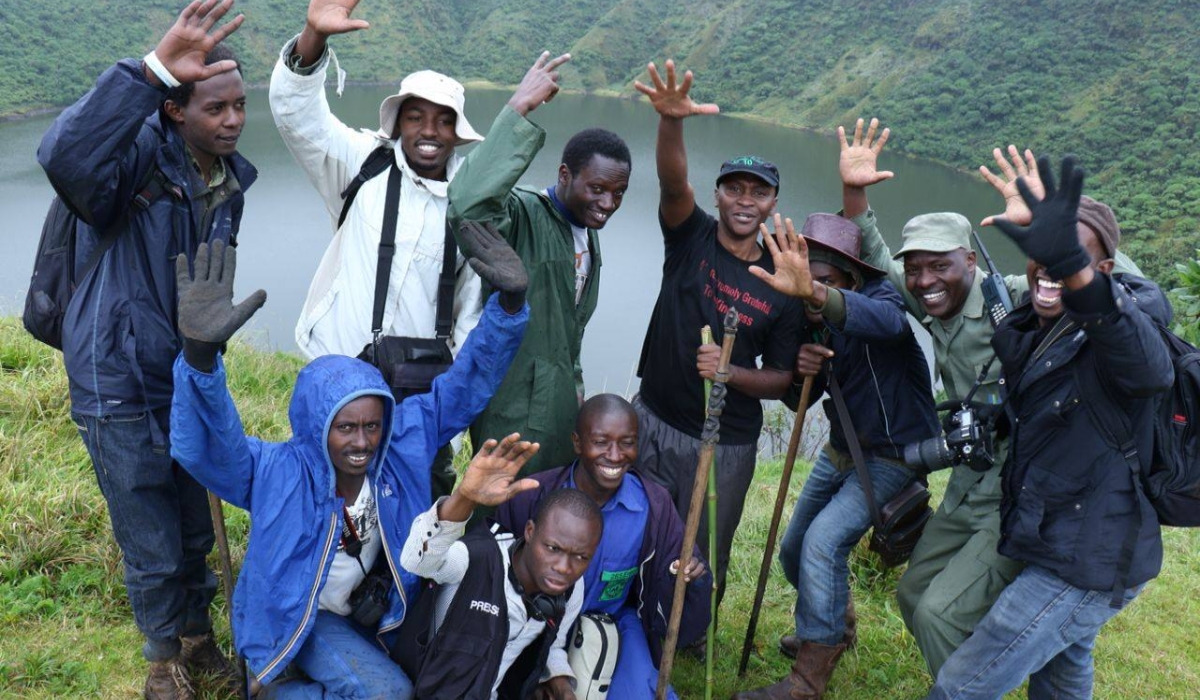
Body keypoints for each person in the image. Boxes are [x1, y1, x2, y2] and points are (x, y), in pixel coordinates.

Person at [168, 219, 530, 698]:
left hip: (380, 612)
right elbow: (209, 445)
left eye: (372, 425)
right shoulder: (277, 471)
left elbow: (462, 388)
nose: (362, 442)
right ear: (318, 426)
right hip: (302, 617)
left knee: (438, 680)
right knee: (391, 694)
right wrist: (199, 358)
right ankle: (277, 686)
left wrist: (508, 307)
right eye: (345, 428)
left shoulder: (400, 447)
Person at [842, 119, 1144, 676]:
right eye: (918, 268)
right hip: (965, 479)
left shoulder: (1019, 299)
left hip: (1015, 485)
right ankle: (978, 664)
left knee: (936, 613)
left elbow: (1119, 291)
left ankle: (967, 684)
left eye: (940, 265)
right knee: (912, 596)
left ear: (971, 262)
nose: (925, 279)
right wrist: (855, 192)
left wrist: (1052, 226)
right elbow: (879, 252)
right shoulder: (927, 300)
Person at [35, 2, 249, 696]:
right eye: (215, 108)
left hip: (186, 370)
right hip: (116, 374)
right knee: (148, 529)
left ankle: (197, 637)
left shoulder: (227, 182)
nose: (232, 120)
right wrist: (150, 70)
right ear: (172, 112)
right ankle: (163, 660)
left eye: (241, 106)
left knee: (192, 518)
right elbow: (63, 153)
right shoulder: (123, 171)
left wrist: (206, 346)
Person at [925, 157, 1172, 699]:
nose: (1050, 270)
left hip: (1088, 558)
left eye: (1075, 261)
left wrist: (1074, 265)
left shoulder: (1123, 328)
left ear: (1104, 273)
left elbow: (1147, 365)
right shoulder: (1036, 331)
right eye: (1044, 255)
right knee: (1062, 670)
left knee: (959, 688)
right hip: (1054, 535)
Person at [732, 213, 939, 699]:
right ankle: (834, 628)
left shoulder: (881, 299)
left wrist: (816, 296)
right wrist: (804, 372)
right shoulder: (810, 321)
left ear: (850, 279)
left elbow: (886, 324)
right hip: (843, 450)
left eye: (825, 281)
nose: (812, 289)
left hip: (893, 457)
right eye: (807, 278)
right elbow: (797, 395)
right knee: (793, 551)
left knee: (823, 545)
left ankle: (806, 681)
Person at [628, 60, 804, 608]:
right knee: (637, 532)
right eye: (734, 189)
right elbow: (671, 180)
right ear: (719, 194)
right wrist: (671, 122)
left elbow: (781, 380)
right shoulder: (690, 237)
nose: (745, 200)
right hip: (653, 419)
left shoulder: (783, 277)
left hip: (725, 442)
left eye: (758, 192)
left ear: (772, 203)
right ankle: (629, 617)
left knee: (702, 551)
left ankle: (688, 632)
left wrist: (730, 373)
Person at [448, 51, 633, 476]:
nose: (608, 204)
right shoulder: (524, 213)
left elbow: (570, 331)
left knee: (549, 516)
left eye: (618, 193)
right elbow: (467, 204)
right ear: (565, 175)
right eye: (598, 188)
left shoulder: (588, 236)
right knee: (499, 509)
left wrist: (578, 390)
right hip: (511, 404)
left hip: (560, 409)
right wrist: (519, 107)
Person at [271, 0, 485, 362]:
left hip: (419, 386)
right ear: (399, 122)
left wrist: (451, 397)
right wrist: (314, 35)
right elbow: (297, 117)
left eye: (444, 121)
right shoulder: (365, 163)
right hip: (337, 364)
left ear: (456, 132)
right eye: (416, 117)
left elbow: (470, 311)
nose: (429, 131)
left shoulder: (470, 201)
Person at [496, 394, 713, 699]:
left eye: (627, 442)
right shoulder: (535, 495)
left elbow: (678, 564)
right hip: (539, 618)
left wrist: (689, 574)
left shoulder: (653, 504)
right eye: (601, 442)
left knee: (640, 692)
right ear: (577, 442)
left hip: (615, 619)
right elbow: (493, 568)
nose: (614, 455)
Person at [400, 444, 603, 700]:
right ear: (530, 532)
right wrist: (464, 496)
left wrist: (561, 685)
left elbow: (552, 647)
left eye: (581, 557)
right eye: (553, 548)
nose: (564, 567)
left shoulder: (572, 588)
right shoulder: (476, 559)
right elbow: (416, 562)